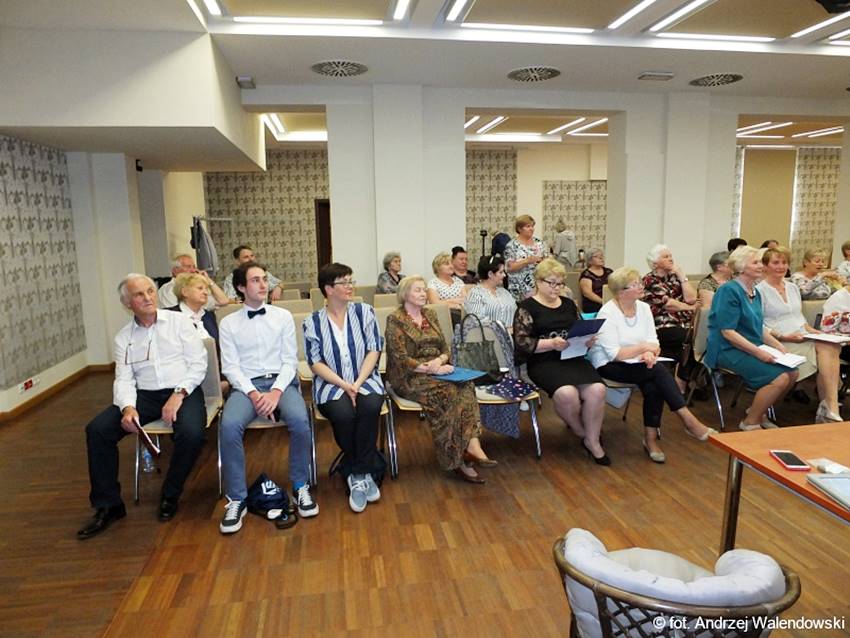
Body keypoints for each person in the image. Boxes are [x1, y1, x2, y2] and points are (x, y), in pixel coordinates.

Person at [77, 274, 207, 539]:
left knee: (192, 434)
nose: (148, 297)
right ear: (127, 304)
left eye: (150, 291)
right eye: (139, 294)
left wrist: (178, 394)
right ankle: (109, 506)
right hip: (144, 395)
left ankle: (170, 493)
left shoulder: (180, 322)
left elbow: (198, 364)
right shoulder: (123, 337)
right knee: (98, 430)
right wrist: (127, 407)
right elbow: (123, 378)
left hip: (184, 389)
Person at [218, 262, 316, 534]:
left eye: (264, 279)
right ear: (240, 287)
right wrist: (253, 393)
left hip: (280, 384)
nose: (263, 284)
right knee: (229, 426)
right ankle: (237, 499)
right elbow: (230, 367)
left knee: (300, 421)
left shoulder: (282, 316)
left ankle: (300, 486)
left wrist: (275, 392)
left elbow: (289, 361)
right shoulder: (228, 323)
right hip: (245, 386)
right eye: (255, 280)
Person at [589, 267, 716, 463]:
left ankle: (652, 438)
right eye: (635, 284)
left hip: (640, 363)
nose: (641, 286)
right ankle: (684, 422)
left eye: (640, 282)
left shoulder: (643, 308)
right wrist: (644, 348)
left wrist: (649, 352)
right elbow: (616, 354)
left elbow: (653, 340)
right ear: (621, 292)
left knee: (654, 382)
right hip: (609, 364)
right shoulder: (607, 313)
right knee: (656, 372)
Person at [385, 275, 495, 483]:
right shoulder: (395, 319)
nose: (423, 293)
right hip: (410, 375)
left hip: (438, 368)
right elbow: (399, 357)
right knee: (450, 392)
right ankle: (460, 457)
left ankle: (471, 447)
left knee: (466, 385)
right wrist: (429, 368)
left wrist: (440, 361)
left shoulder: (430, 314)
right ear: (405, 294)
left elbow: (445, 347)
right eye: (418, 290)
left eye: (424, 289)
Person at [303, 263, 385, 513]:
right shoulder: (312, 322)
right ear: (328, 289)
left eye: (351, 281)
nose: (350, 286)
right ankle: (367, 468)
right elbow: (315, 362)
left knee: (370, 405)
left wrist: (357, 384)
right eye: (344, 282)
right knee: (343, 414)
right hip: (331, 383)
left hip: (364, 378)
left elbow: (374, 349)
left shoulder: (364, 311)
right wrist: (344, 385)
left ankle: (354, 472)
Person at [513, 259, 608, 465]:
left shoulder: (568, 304)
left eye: (560, 284)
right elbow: (521, 343)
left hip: (572, 357)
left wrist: (587, 340)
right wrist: (550, 344)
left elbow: (579, 330)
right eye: (552, 283)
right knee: (567, 394)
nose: (556, 288)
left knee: (598, 390)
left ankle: (593, 441)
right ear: (538, 282)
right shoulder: (526, 308)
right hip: (543, 361)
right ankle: (583, 433)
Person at [705, 246, 799, 431]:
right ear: (741, 267)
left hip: (749, 345)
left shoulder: (754, 291)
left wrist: (778, 346)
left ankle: (760, 410)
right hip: (727, 349)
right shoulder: (728, 291)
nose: (760, 266)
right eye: (755, 262)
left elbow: (758, 326)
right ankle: (750, 422)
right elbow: (728, 332)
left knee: (793, 373)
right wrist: (759, 353)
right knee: (780, 378)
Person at [757, 246, 842, 423]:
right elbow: (758, 325)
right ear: (765, 266)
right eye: (775, 262)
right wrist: (783, 336)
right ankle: (829, 409)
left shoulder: (792, 287)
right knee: (826, 350)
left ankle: (830, 407)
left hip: (802, 335)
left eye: (784, 262)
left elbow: (799, 318)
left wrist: (814, 331)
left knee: (830, 345)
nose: (781, 266)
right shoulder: (759, 290)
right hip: (776, 340)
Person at [642, 244, 700, 393]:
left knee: (698, 340)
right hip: (662, 325)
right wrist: (690, 308)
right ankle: (683, 380)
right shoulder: (649, 280)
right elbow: (668, 304)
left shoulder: (675, 277)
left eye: (670, 256)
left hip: (684, 324)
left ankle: (681, 380)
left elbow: (691, 298)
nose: (670, 259)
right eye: (665, 256)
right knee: (691, 339)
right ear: (655, 263)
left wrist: (682, 277)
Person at [157, 253, 228, 309]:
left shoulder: (196, 289)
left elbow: (223, 301)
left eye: (194, 267)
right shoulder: (168, 290)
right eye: (188, 267)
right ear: (175, 270)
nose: (193, 270)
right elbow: (175, 316)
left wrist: (208, 280)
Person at [464, 255, 516, 329]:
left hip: (512, 333)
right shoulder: (476, 294)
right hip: (487, 334)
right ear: (490, 274)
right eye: (501, 272)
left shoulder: (505, 292)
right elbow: (478, 321)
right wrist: (503, 330)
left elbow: (516, 313)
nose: (504, 275)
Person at [166, 272, 219, 342]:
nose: (206, 293)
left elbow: (217, 345)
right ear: (185, 292)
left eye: (206, 289)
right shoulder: (170, 316)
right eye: (200, 288)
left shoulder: (209, 316)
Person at [504, 214, 546, 300]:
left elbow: (548, 261)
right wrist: (527, 261)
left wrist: (543, 261)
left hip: (539, 286)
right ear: (519, 229)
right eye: (528, 226)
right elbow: (510, 268)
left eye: (532, 226)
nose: (531, 228)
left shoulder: (540, 243)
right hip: (519, 288)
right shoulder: (511, 245)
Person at [578, 248, 613, 314]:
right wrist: (603, 302)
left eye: (601, 256)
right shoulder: (586, 274)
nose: (601, 258)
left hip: (609, 302)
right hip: (594, 305)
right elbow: (587, 293)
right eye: (596, 256)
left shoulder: (609, 271)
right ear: (590, 260)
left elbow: (616, 286)